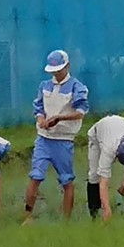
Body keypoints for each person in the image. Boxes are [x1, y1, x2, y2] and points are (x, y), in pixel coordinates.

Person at [23, 49, 89, 222]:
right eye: (53, 71)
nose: (56, 74)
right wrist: (41, 120)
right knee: (35, 176)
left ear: (68, 66)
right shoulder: (44, 86)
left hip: (63, 140)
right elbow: (38, 108)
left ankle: (66, 221)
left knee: (66, 180)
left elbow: (80, 113)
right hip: (43, 139)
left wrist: (59, 118)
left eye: (59, 70)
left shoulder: (77, 87)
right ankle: (27, 217)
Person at [86, 115, 124, 221]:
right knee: (94, 175)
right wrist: (107, 209)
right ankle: (94, 214)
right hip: (97, 136)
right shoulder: (108, 149)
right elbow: (103, 182)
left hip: (119, 124)